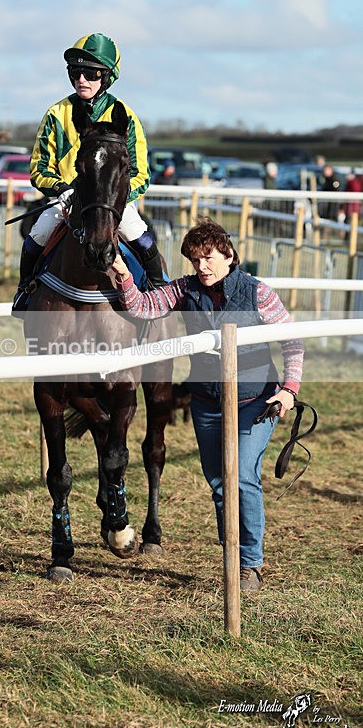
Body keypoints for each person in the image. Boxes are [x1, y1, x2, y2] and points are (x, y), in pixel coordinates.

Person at [111, 218, 304, 592]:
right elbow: (144, 307)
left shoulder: (258, 292)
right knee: (219, 484)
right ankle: (231, 553)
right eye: (195, 260)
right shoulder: (184, 289)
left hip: (257, 401)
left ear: (228, 255)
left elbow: (292, 341)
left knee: (242, 477)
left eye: (209, 258)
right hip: (207, 402)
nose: (202, 267)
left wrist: (289, 391)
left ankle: (250, 565)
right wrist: (123, 276)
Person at [12, 32, 165, 313]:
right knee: (38, 233)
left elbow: (141, 172)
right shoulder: (56, 114)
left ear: (107, 77)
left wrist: (116, 198)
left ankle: (159, 290)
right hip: (67, 201)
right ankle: (25, 292)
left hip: (112, 203)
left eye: (91, 73)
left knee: (140, 236)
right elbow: (39, 167)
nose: (82, 79)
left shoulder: (126, 116)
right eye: (76, 72)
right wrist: (62, 189)